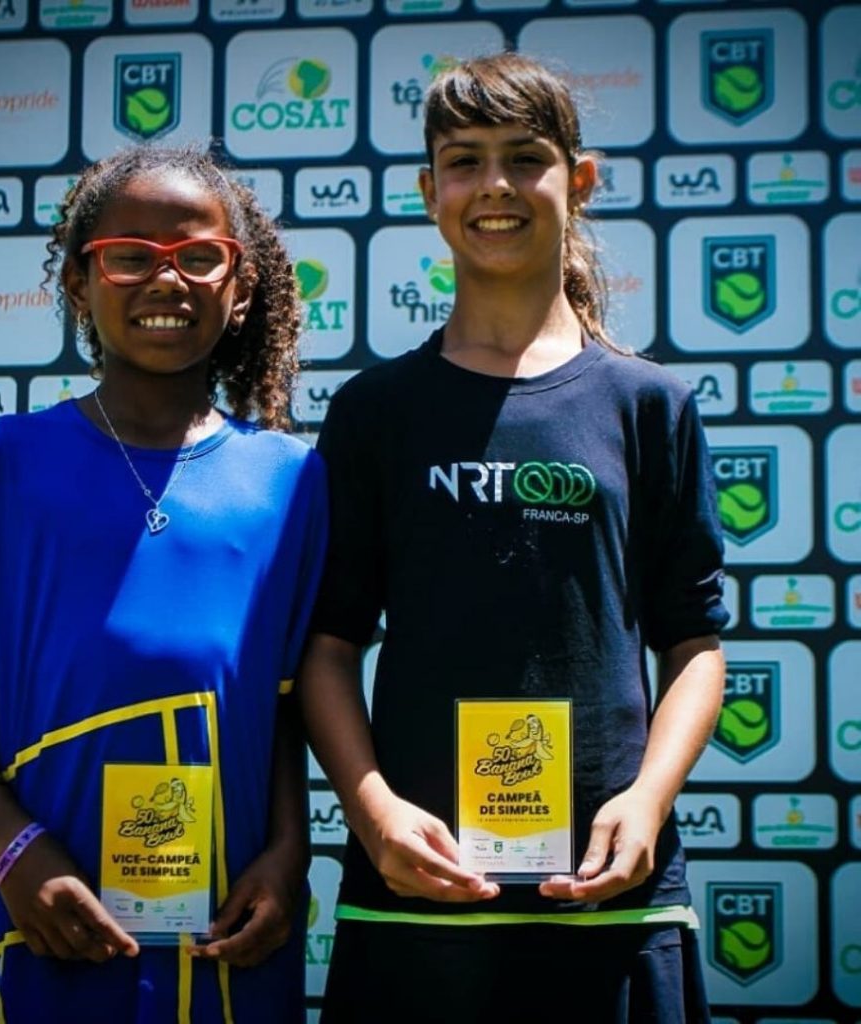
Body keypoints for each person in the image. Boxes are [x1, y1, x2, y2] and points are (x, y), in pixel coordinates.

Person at [299, 52, 728, 1023]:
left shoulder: (650, 405)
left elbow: (694, 645)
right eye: (464, 161)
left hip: (610, 893)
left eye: (524, 157)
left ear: (579, 180)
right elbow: (326, 647)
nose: (494, 184)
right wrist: (375, 814)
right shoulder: (376, 411)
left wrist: (647, 802)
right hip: (417, 893)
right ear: (429, 192)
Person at [0, 143, 327, 1024]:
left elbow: (285, 703)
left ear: (242, 288)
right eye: (130, 256)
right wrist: (11, 848)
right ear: (78, 283)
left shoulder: (290, 479)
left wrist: (291, 853)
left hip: (231, 932)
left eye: (199, 256)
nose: (166, 280)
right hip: (49, 922)